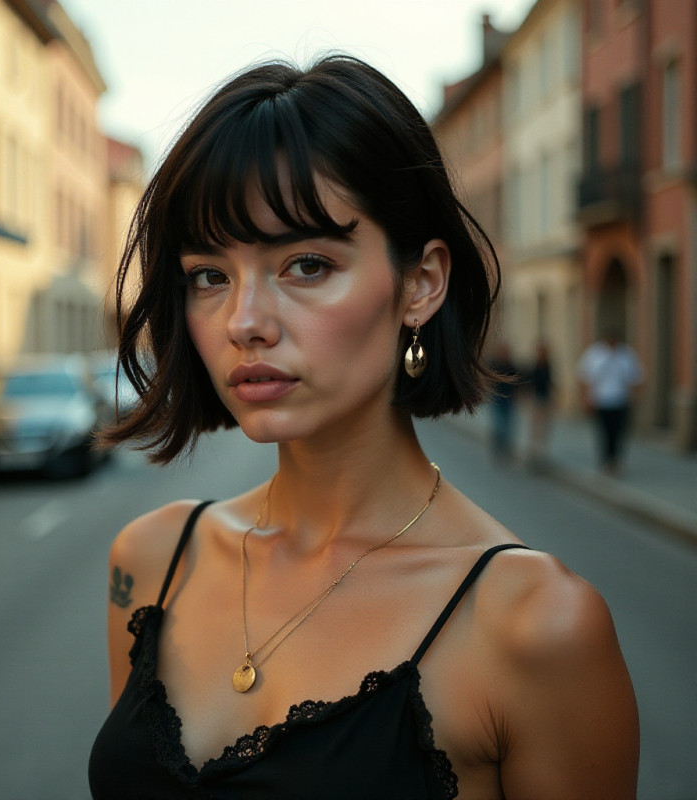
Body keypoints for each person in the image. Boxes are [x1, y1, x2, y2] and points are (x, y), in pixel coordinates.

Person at [88, 56, 639, 799]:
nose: (244, 321)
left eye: (307, 264)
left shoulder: (538, 625)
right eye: (209, 274)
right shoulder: (153, 561)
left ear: (421, 283)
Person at [578, 331, 644, 475]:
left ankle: (615, 460)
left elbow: (635, 378)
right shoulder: (595, 354)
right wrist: (586, 399)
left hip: (620, 401)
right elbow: (585, 378)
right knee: (604, 432)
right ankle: (606, 460)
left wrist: (634, 397)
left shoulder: (626, 355)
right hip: (601, 401)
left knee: (618, 432)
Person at [486, 342, 519, 463]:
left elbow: (516, 381)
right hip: (497, 399)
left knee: (508, 426)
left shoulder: (511, 365)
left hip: (509, 400)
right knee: (499, 425)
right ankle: (498, 447)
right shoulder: (495, 365)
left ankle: (505, 449)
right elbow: (488, 380)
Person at [526, 342, 554, 469]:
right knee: (535, 429)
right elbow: (530, 383)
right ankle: (534, 454)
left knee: (544, 429)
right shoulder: (535, 366)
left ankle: (541, 454)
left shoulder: (548, 365)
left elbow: (551, 383)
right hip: (536, 400)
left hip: (545, 400)